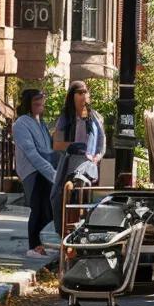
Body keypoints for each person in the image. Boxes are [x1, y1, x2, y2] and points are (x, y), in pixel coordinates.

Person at [50, 80, 106, 234]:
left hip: (89, 164)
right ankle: (63, 232)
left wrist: (96, 157)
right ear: (72, 96)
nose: (83, 96)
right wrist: (70, 146)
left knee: (88, 197)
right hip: (69, 161)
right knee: (56, 196)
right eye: (79, 93)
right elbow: (56, 144)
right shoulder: (65, 118)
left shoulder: (95, 117)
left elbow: (101, 142)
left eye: (85, 92)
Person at [12, 89, 57, 257]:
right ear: (28, 104)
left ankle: (41, 246)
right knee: (38, 208)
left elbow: (48, 149)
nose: (40, 105)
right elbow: (31, 152)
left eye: (42, 101)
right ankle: (34, 246)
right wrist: (51, 173)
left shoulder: (41, 122)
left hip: (44, 170)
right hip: (33, 171)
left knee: (47, 208)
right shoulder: (21, 123)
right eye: (36, 102)